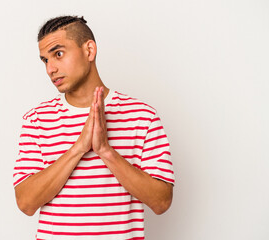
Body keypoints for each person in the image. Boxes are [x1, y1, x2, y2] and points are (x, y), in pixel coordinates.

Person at [13, 15, 175, 240]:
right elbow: (26, 202)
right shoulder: (36, 120)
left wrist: (105, 151)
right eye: (45, 60)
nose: (50, 69)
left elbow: (161, 202)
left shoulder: (142, 116)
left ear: (89, 50)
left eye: (58, 54)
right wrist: (78, 148)